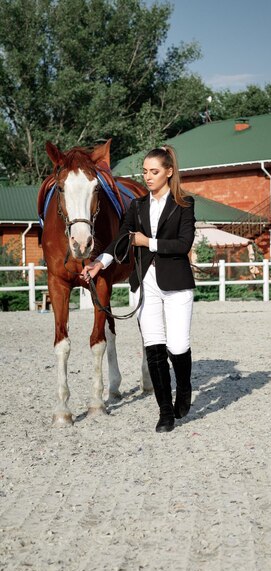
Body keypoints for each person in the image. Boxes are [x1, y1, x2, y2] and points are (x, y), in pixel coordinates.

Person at [82, 145, 196, 433]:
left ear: (169, 172)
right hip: (145, 283)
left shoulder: (185, 204)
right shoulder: (137, 206)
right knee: (154, 347)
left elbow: (183, 245)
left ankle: (184, 387)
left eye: (154, 171)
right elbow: (122, 239)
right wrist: (100, 262)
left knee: (178, 346)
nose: (148, 177)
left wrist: (148, 243)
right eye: (145, 171)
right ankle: (165, 411)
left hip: (177, 284)